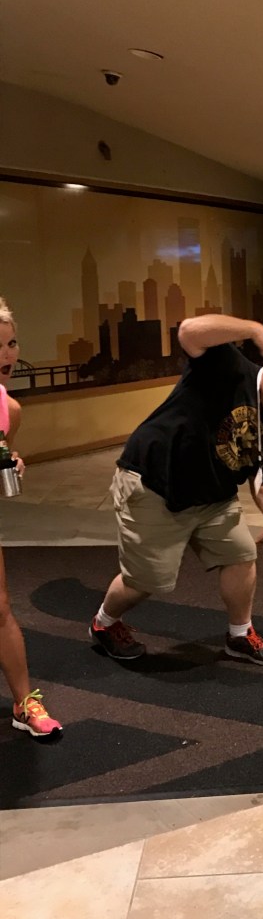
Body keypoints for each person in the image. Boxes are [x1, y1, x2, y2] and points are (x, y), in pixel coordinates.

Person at [90, 314, 263, 668]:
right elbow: (188, 332)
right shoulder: (229, 366)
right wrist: (254, 329)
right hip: (156, 482)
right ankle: (104, 624)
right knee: (144, 580)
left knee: (241, 555)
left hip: (213, 498)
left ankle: (240, 635)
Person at [0, 298, 63, 738]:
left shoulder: (10, 409)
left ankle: (24, 704)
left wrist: (13, 461)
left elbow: (5, 448)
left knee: (0, 609)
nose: (7, 355)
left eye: (11, 344)